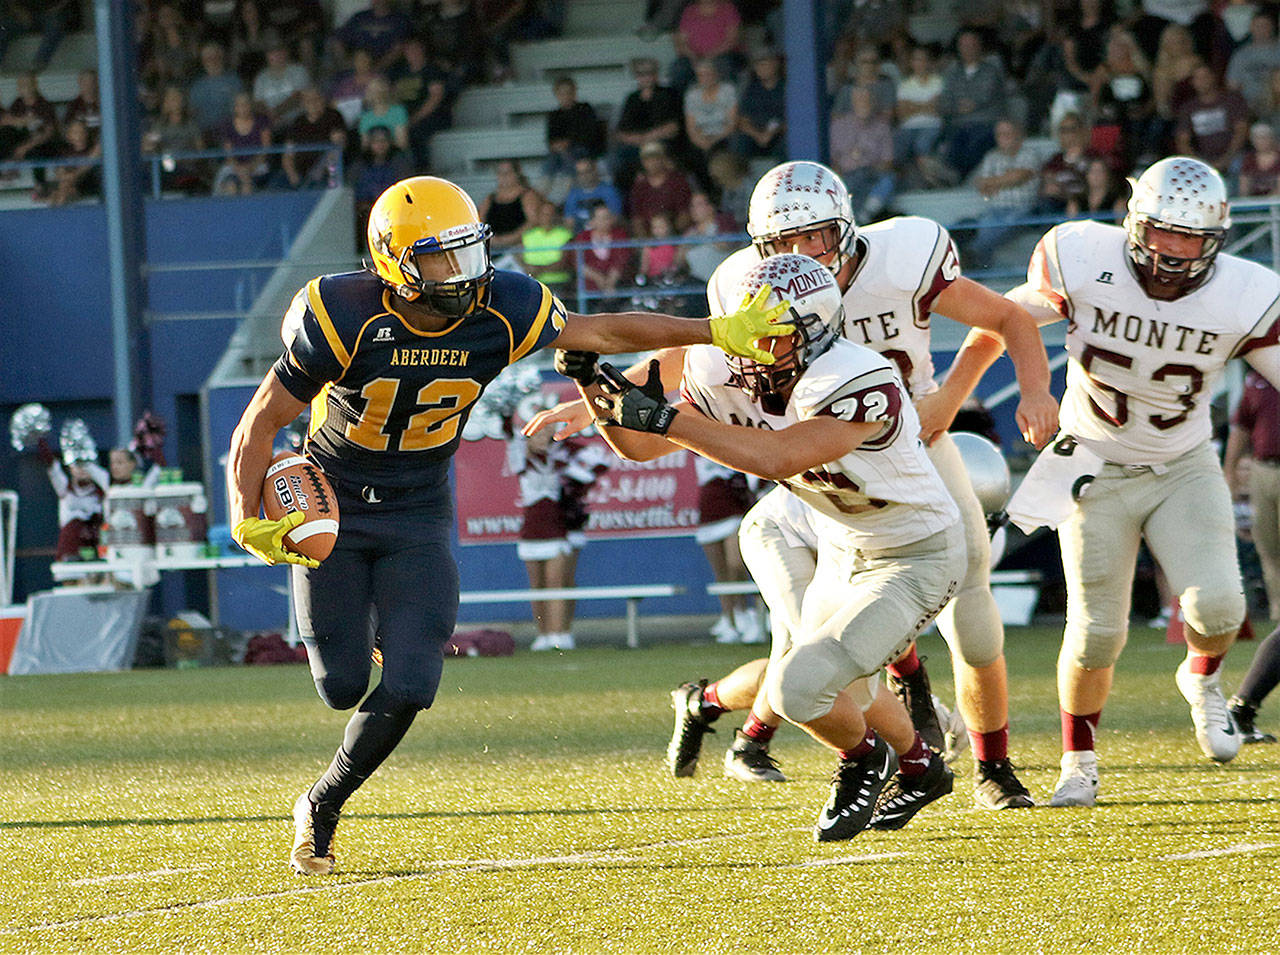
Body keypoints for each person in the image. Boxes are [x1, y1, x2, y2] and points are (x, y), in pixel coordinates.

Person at [225, 174, 790, 875]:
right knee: (340, 685)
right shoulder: (341, 312)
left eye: (467, 251)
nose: (462, 273)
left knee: (410, 681)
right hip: (334, 501)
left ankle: (322, 804)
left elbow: (602, 330)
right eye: (440, 257)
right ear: (394, 264)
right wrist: (244, 518)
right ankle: (368, 628)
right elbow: (260, 423)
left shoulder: (506, 303)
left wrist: (716, 330)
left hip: (417, 505)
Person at [526, 161, 1059, 806]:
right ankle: (885, 730)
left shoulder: (898, 263)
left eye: (816, 238)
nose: (803, 254)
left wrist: (989, 394)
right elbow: (700, 355)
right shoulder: (744, 294)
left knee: (970, 614)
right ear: (759, 249)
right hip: (820, 480)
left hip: (906, 453)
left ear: (848, 228)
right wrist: (605, 393)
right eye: (783, 243)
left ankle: (990, 765)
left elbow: (1006, 319)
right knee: (808, 651)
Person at [561, 253, 964, 840]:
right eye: (743, 331)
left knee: (799, 685)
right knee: (834, 683)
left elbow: (775, 457)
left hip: (915, 554)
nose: (752, 350)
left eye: (772, 335)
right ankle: (921, 770)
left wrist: (666, 419)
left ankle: (864, 761)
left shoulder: (855, 375)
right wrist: (592, 384)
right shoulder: (724, 370)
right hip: (842, 544)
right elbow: (637, 448)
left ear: (815, 332)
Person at [1004, 156, 1280, 807]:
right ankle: (1078, 759)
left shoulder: (1244, 290)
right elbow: (1002, 318)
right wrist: (1023, 389)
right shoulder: (1080, 253)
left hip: (1182, 463)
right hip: (1091, 462)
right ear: (1134, 222)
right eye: (1164, 233)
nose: (1175, 251)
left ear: (1215, 239)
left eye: (1191, 238)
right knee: (1097, 631)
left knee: (1220, 606)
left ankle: (1204, 680)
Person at [506, 404, 610, 652]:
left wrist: (573, 483)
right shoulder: (521, 459)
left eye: (547, 431)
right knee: (537, 587)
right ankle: (542, 635)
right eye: (537, 432)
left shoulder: (562, 456)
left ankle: (560, 634)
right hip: (531, 531)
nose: (543, 436)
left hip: (557, 528)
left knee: (558, 583)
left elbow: (598, 465)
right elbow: (508, 435)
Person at [1225, 370, 1280, 621]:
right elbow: (1242, 427)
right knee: (1268, 546)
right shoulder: (1257, 378)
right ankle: (1278, 615)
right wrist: (1230, 470)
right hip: (1262, 468)